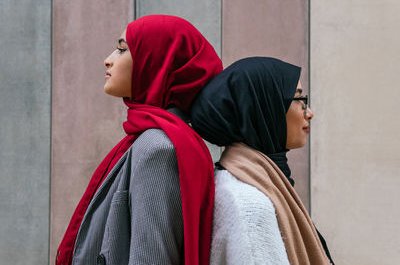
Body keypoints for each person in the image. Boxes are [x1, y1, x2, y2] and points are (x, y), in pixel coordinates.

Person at [56, 15, 222, 265]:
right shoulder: (155, 138)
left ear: (156, 62)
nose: (108, 59)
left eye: (122, 49)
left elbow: (151, 258)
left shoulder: (158, 148)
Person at [190, 57, 334, 265]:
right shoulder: (248, 204)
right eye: (298, 100)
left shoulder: (257, 182)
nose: (309, 113)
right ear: (265, 108)